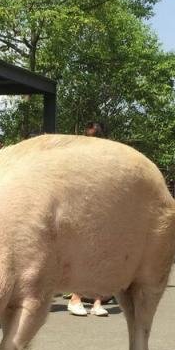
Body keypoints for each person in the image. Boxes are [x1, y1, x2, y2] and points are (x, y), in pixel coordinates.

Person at [68, 122, 110, 316]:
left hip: (103, 213)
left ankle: (97, 302)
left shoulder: (108, 159)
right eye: (88, 137)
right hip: (82, 214)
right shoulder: (78, 160)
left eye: (94, 138)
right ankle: (76, 298)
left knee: (102, 256)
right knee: (82, 256)